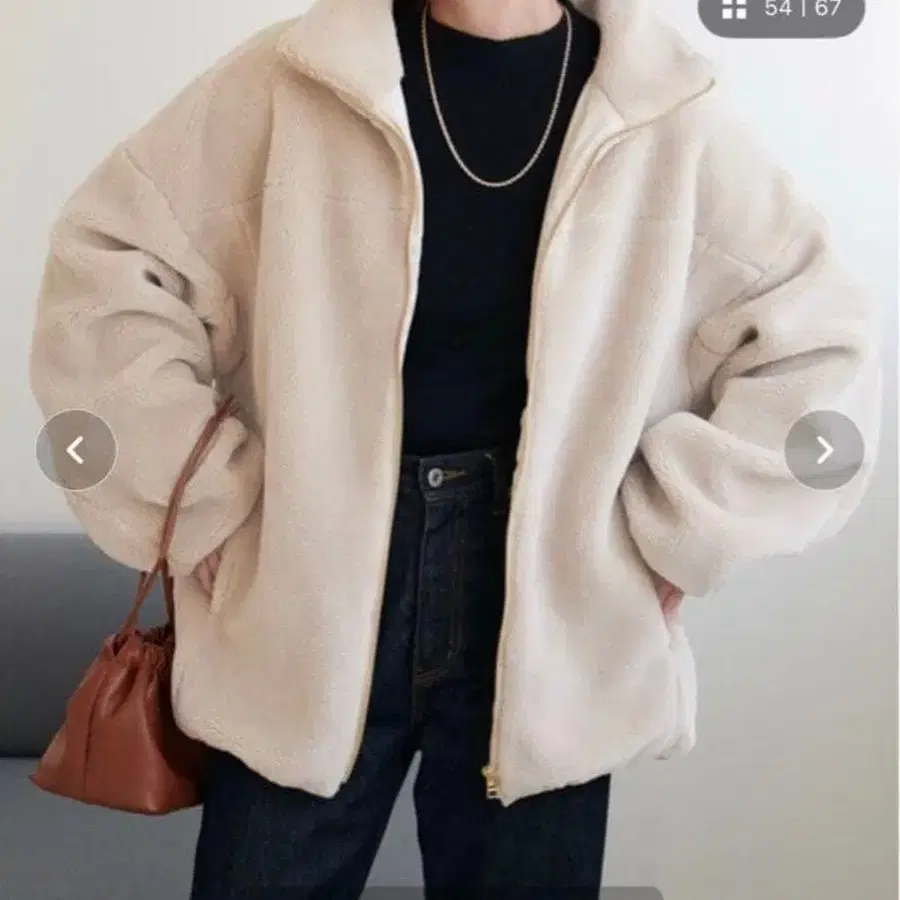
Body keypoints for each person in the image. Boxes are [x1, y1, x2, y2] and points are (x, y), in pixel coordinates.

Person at [29, 0, 881, 895]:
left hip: (552, 594)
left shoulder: (661, 106)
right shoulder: (302, 75)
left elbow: (821, 341)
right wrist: (194, 491)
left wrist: (684, 529)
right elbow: (107, 264)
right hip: (310, 575)